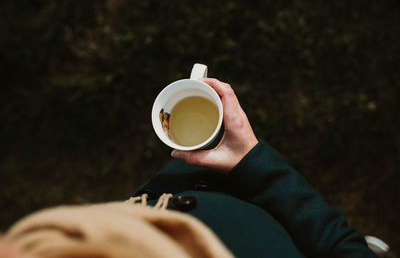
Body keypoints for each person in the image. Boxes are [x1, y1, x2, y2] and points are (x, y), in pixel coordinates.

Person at [4, 78, 377, 258]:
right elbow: (343, 247)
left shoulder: (38, 244)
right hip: (247, 194)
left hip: (165, 194)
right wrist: (257, 164)